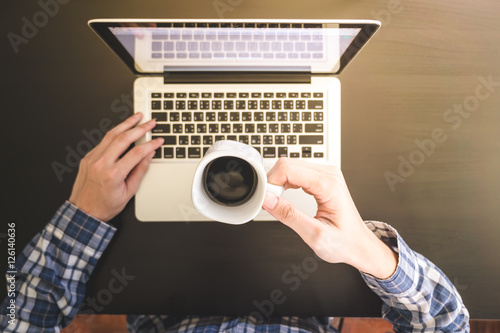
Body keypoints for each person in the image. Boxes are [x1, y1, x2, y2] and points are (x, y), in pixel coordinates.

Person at [0, 114, 470, 332]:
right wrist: (367, 251)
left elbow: (13, 314)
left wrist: (82, 216)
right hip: (307, 307)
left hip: (167, 308)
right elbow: (446, 324)